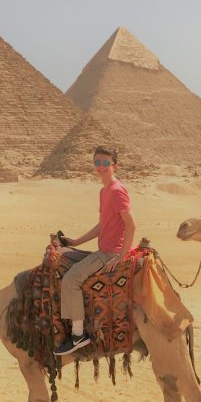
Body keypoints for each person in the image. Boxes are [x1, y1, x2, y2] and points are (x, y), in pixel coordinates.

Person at [53, 146, 136, 356]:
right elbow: (103, 225)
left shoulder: (116, 191)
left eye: (105, 163)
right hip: (103, 249)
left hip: (109, 253)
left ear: (114, 165)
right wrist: (76, 241)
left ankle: (79, 335)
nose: (100, 167)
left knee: (71, 280)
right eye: (97, 162)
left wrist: (121, 256)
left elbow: (131, 225)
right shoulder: (104, 191)